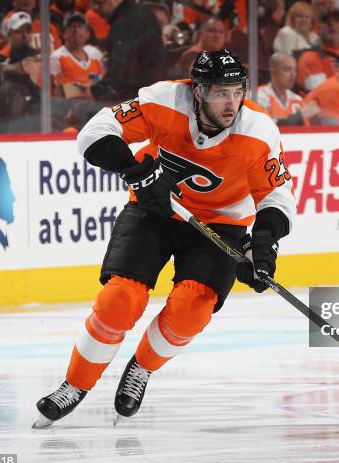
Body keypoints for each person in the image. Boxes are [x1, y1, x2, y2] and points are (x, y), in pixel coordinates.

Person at [33, 49, 296, 428]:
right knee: (120, 298)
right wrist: (133, 170)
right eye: (221, 93)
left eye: (238, 91)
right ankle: (75, 384)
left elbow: (276, 196)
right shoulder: (162, 100)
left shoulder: (258, 131)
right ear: (199, 91)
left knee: (193, 307)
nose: (232, 103)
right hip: (154, 209)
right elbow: (94, 133)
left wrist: (264, 242)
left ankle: (141, 367)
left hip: (221, 224)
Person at [90, 0, 165, 101]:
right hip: (154, 92)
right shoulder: (145, 11)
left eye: (100, 3)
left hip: (133, 97)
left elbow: (119, 72)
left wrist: (96, 92)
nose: (94, 8)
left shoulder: (122, 24)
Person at [50, 12, 103, 98]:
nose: (76, 30)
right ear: (63, 33)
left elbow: (103, 85)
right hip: (70, 109)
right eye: (72, 27)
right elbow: (57, 93)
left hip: (96, 108)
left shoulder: (95, 54)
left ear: (87, 34)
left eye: (80, 27)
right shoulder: (56, 58)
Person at [257, 51, 319, 126]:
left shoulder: (297, 100)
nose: (293, 74)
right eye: (287, 69)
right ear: (273, 71)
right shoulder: (260, 95)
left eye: (295, 70)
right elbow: (266, 126)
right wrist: (299, 116)